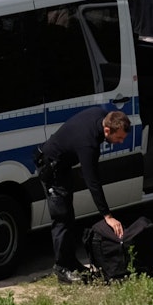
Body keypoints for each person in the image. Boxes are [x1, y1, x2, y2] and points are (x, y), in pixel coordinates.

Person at [36, 107, 129, 284]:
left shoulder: (102, 115)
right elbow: (92, 181)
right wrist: (107, 216)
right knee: (61, 218)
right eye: (119, 138)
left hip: (62, 167)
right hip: (50, 167)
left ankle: (71, 262)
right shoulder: (88, 144)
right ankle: (62, 268)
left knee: (69, 216)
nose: (121, 142)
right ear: (107, 130)